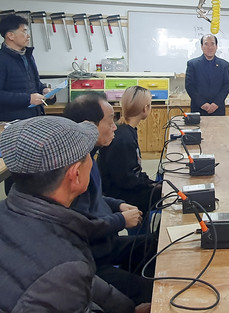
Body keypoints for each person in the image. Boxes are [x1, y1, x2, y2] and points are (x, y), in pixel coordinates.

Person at [0, 116, 146, 313]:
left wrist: (128, 309)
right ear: (75, 174)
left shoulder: (15, 212)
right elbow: (66, 275)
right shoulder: (63, 267)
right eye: (87, 156)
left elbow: (85, 281)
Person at [64, 92, 156, 305]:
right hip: (93, 260)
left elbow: (97, 197)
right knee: (156, 290)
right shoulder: (71, 171)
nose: (115, 126)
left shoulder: (89, 156)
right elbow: (80, 224)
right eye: (109, 121)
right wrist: (121, 220)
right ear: (89, 126)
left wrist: (118, 205)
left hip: (106, 243)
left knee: (156, 244)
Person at [98, 86, 161, 213]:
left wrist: (150, 182)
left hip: (123, 187)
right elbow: (127, 180)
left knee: (162, 185)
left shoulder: (124, 129)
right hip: (119, 195)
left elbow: (132, 171)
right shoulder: (124, 139)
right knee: (167, 195)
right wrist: (151, 185)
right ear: (145, 108)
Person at [0, 14, 54, 122]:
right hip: (12, 122)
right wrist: (28, 99)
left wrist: (44, 90)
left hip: (34, 118)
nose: (28, 36)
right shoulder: (2, 59)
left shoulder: (28, 56)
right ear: (10, 35)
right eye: (24, 31)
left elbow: (34, 83)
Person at [185, 34, 229, 116]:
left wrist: (216, 104)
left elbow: (226, 85)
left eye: (212, 44)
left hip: (218, 109)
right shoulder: (192, 64)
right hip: (198, 109)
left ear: (216, 46)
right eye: (206, 44)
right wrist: (202, 104)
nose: (210, 47)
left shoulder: (224, 65)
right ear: (202, 46)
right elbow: (189, 86)